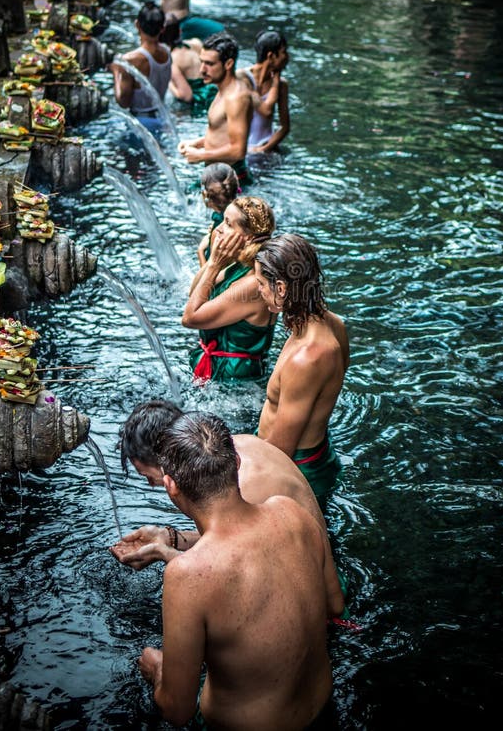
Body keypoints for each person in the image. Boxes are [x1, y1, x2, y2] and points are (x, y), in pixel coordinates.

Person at [133, 412, 344, 729]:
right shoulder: (291, 512)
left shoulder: (187, 574)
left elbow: (177, 711)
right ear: (237, 463)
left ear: (171, 486)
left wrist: (159, 670)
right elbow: (334, 604)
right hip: (326, 712)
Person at [110, 402, 335, 570]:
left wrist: (169, 556)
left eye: (149, 477)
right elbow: (235, 541)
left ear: (169, 460)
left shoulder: (242, 487)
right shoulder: (224, 453)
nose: (152, 486)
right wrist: (171, 538)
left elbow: (244, 573)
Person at [254, 233, 350, 506]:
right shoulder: (335, 324)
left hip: (295, 475)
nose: (258, 290)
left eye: (261, 283)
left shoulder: (307, 358)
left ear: (281, 288)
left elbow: (280, 451)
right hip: (314, 457)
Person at [183, 195, 276, 382]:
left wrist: (214, 265)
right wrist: (211, 262)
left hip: (233, 383)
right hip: (220, 372)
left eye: (227, 223)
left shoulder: (253, 283)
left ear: (248, 238)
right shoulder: (240, 265)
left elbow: (189, 318)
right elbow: (194, 294)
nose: (218, 229)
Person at [177, 32, 254, 186]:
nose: (202, 70)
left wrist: (200, 155)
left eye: (210, 64)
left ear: (228, 64)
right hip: (218, 176)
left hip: (229, 182)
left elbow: (238, 150)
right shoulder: (223, 90)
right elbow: (225, 135)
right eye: (201, 62)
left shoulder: (236, 97)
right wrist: (197, 143)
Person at [108, 1, 171, 132]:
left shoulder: (130, 60)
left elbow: (123, 101)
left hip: (141, 122)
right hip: (162, 119)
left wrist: (115, 70)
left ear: (137, 25)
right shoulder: (167, 52)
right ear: (162, 28)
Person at [238, 29, 291, 153]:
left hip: (266, 146)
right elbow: (266, 111)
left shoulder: (282, 85)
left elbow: (285, 127)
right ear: (271, 56)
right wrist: (276, 82)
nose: (287, 57)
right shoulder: (243, 78)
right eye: (284, 52)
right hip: (242, 146)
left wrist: (263, 149)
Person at [161, 15, 218, 111]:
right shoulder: (196, 43)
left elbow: (186, 96)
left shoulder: (172, 60)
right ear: (180, 31)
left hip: (201, 103)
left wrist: (170, 83)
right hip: (216, 92)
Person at [197, 163, 239, 266]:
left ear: (205, 195)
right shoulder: (238, 214)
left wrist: (201, 252)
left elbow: (210, 277)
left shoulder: (219, 231)